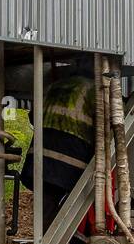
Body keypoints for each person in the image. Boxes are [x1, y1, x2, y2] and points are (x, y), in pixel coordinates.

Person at [19, 70, 97, 224]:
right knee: (65, 214)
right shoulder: (94, 88)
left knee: (47, 206)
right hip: (69, 160)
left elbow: (32, 117)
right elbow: (116, 119)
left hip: (37, 159)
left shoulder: (51, 86)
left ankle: (43, 242)